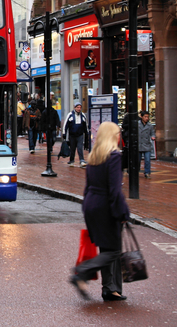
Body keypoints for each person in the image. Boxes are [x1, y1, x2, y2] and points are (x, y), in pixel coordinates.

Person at [69, 121, 130, 302]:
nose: (119, 137)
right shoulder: (114, 157)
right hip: (105, 206)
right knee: (113, 251)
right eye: (117, 133)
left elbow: (88, 187)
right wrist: (123, 213)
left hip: (91, 205)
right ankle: (82, 272)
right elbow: (114, 190)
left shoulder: (94, 157)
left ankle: (110, 289)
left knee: (106, 248)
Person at [63, 103, 89, 167]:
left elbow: (86, 126)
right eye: (78, 107)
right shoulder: (70, 115)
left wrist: (87, 133)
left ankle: (82, 160)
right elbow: (65, 125)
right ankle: (71, 160)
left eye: (80, 107)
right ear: (75, 108)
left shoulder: (83, 115)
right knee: (72, 148)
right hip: (72, 135)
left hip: (80, 135)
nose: (79, 109)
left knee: (80, 148)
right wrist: (64, 133)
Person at [138, 111, 155, 178]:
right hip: (139, 144)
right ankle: (136, 171)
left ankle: (147, 172)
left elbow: (152, 133)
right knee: (138, 160)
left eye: (147, 117)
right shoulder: (137, 124)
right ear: (141, 117)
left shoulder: (150, 125)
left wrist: (153, 137)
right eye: (145, 116)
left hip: (147, 144)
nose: (147, 118)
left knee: (147, 160)